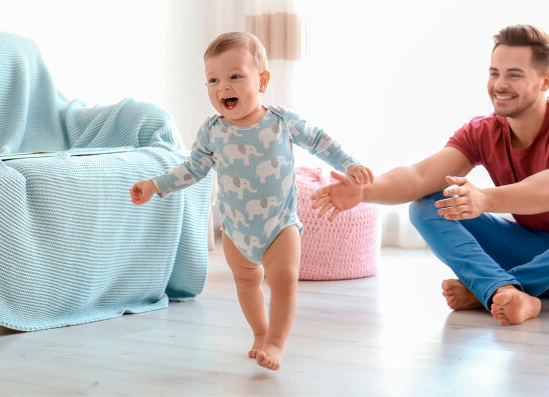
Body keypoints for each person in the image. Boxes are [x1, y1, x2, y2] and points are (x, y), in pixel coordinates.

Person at [311, 24, 549, 326]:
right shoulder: (483, 131)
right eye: (494, 73)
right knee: (429, 203)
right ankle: (501, 290)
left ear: (545, 82)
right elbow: (420, 175)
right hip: (535, 251)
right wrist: (365, 191)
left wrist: (485, 198)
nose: (499, 85)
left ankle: (501, 288)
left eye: (514, 75)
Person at [129, 32, 373, 369]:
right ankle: (260, 332)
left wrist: (349, 164)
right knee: (246, 283)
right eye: (213, 80)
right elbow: (193, 169)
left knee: (284, 280)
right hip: (236, 230)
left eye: (235, 76)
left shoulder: (281, 121)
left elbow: (319, 140)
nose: (222, 87)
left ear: (262, 81)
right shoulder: (212, 131)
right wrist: (155, 185)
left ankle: (275, 341)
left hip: (279, 225)